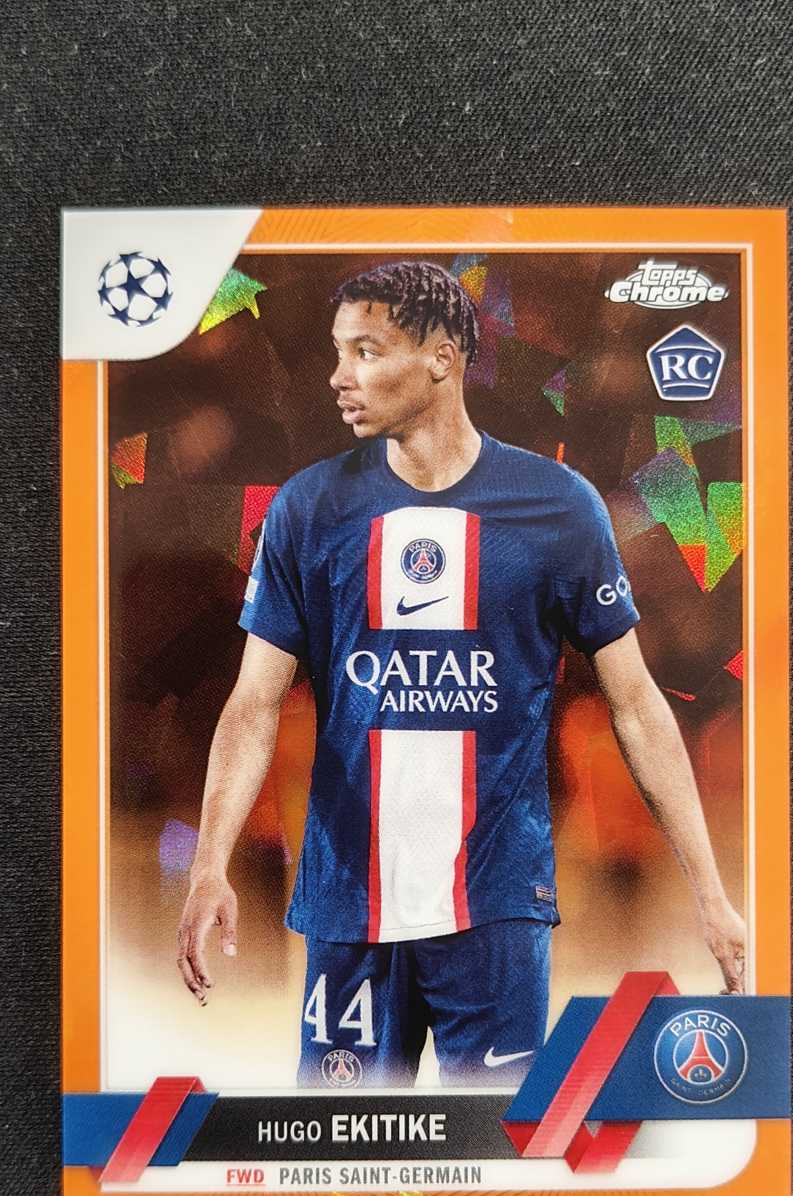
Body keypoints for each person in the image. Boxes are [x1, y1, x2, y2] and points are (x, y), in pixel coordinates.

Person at [177, 260, 746, 1089]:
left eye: (367, 351)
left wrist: (710, 892)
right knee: (343, 1149)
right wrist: (206, 865)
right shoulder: (308, 509)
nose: (340, 375)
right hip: (351, 906)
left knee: (493, 1150)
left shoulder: (558, 506)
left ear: (442, 359)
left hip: (495, 908)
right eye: (338, 351)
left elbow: (635, 703)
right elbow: (252, 703)